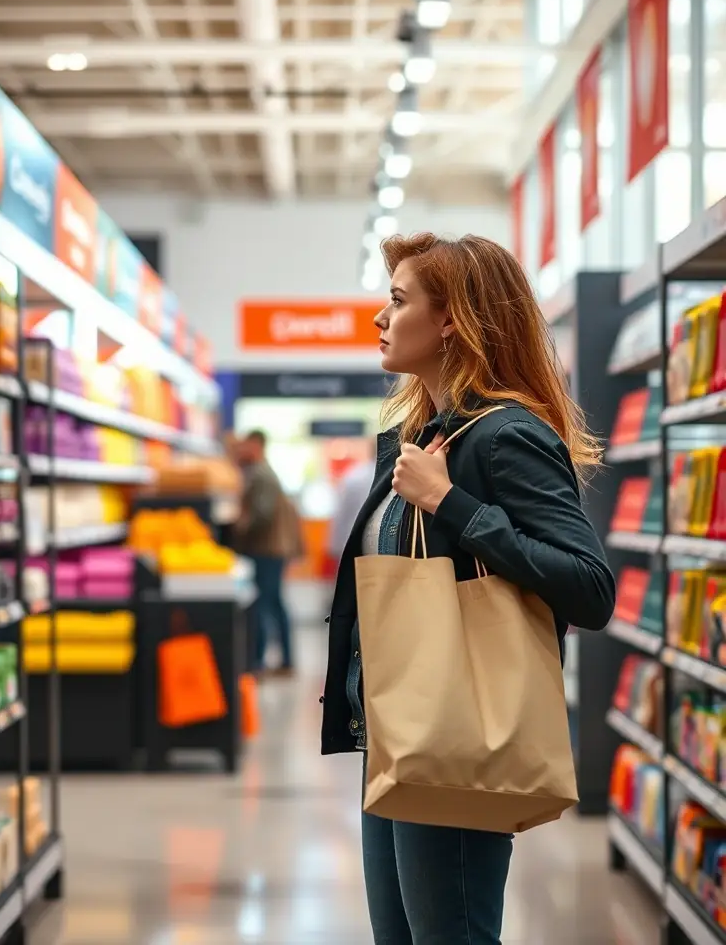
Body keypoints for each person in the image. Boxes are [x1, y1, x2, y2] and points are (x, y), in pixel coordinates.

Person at [320, 233, 615, 945]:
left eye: (398, 300)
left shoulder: (503, 436)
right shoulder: (421, 435)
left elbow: (589, 587)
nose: (380, 319)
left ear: (451, 318)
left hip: (456, 728)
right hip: (395, 732)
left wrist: (452, 503)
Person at [235, 430, 300, 677]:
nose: (241, 450)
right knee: (274, 602)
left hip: (266, 549)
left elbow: (260, 515)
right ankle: (285, 660)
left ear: (256, 444)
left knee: (263, 603)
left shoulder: (261, 475)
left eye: (245, 445)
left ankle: (259, 662)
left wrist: (238, 527)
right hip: (273, 549)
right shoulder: (264, 472)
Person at [327, 449, 376, 565]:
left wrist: (334, 546)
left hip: (352, 543)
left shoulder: (354, 476)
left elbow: (341, 515)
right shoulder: (399, 475)